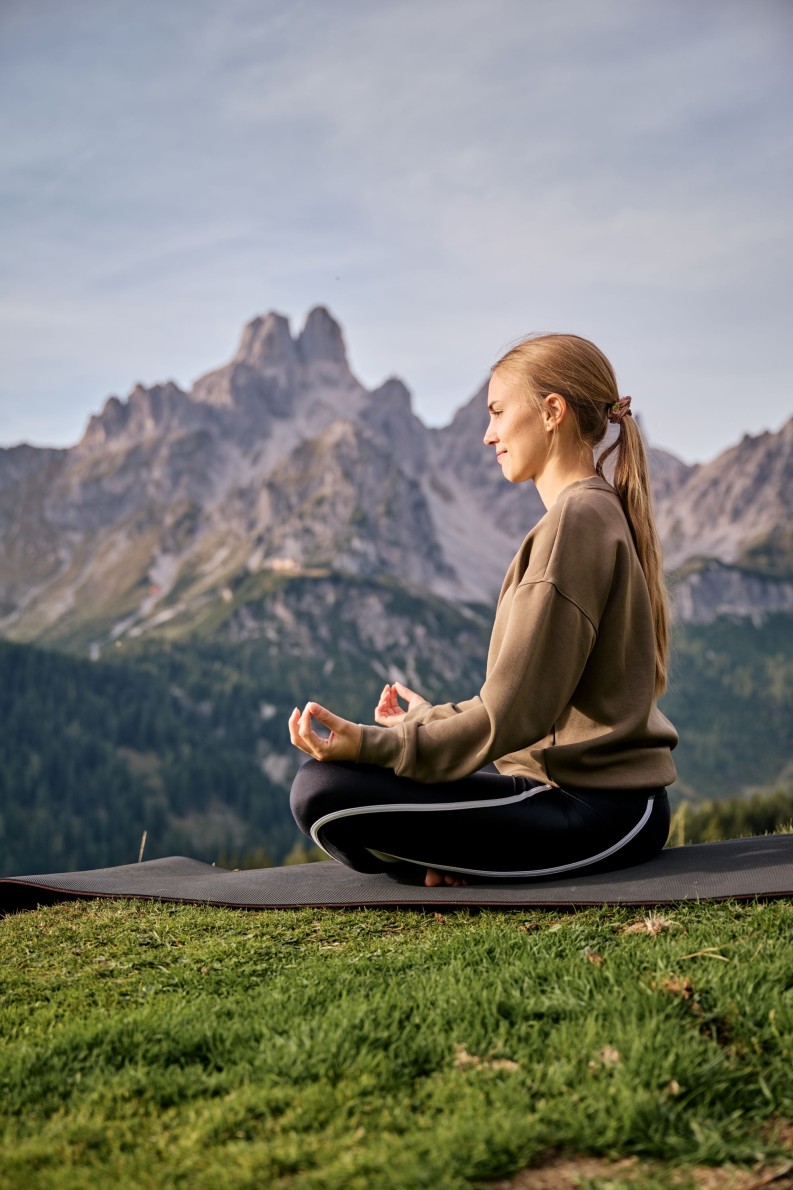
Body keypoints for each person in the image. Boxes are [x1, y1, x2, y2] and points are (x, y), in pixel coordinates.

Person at [287, 333, 678, 887]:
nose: (488, 433)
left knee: (322, 792)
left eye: (497, 412)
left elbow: (509, 715)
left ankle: (449, 860)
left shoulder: (576, 521)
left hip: (598, 812)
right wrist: (423, 721)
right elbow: (521, 708)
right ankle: (455, 858)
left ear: (551, 412)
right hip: (582, 801)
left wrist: (369, 742)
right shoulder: (586, 512)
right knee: (326, 787)